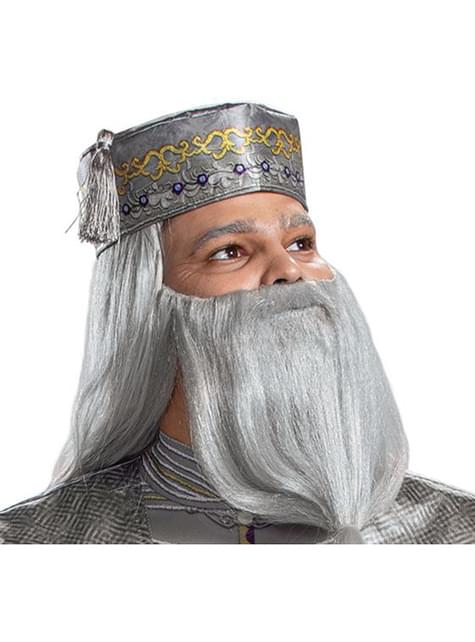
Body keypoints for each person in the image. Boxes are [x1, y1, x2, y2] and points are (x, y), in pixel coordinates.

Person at [0, 102, 474, 544]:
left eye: (301, 243)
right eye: (230, 252)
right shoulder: (34, 542)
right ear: (147, 305)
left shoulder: (452, 530)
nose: (289, 270)